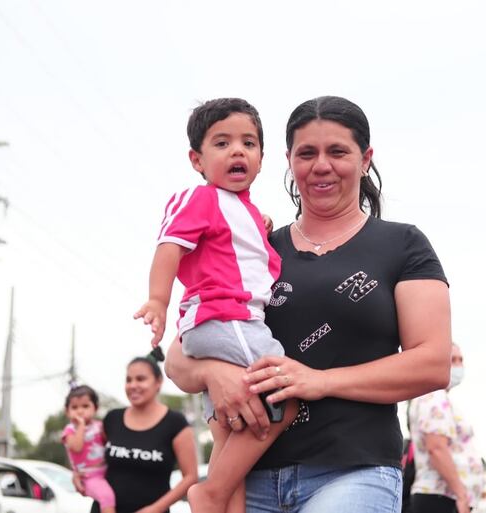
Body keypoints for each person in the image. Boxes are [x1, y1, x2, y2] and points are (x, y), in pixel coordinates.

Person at [165, 95, 452, 513]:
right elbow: (179, 356)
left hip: (354, 471)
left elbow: (433, 363)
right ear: (287, 161)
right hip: (248, 481)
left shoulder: (403, 245)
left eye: (337, 151)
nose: (321, 165)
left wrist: (319, 381)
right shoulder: (257, 249)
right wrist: (212, 372)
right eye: (307, 153)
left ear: (366, 158)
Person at [134, 97, 299, 513]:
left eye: (248, 143)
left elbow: (238, 251)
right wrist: (158, 299)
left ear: (262, 158)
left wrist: (259, 228)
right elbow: (169, 245)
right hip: (229, 319)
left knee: (232, 426)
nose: (238, 151)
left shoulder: (244, 212)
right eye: (222, 143)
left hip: (224, 324)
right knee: (286, 392)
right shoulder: (200, 197)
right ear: (197, 159)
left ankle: (221, 501)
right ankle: (208, 493)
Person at [75, 355, 198, 513]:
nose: (133, 385)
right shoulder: (112, 419)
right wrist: (80, 474)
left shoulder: (175, 422)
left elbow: (190, 477)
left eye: (140, 379)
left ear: (158, 382)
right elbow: (92, 455)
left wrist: (155, 509)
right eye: (129, 380)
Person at [408, 343, 483, 513]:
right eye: (452, 360)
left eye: (460, 360)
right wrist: (461, 494)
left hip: (443, 497)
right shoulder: (434, 396)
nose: (458, 365)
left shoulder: (435, 396)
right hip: (441, 497)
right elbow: (436, 448)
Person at [62, 385, 115, 513]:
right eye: (74, 407)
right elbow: (77, 447)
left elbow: (110, 444)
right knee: (106, 497)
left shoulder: (100, 426)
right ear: (67, 411)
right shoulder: (69, 431)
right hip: (88, 476)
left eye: (85, 406)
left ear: (95, 408)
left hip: (107, 471)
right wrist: (81, 426)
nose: (80, 411)